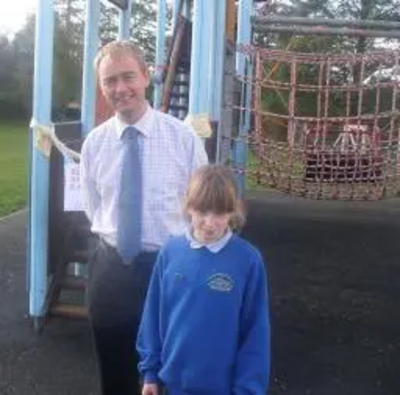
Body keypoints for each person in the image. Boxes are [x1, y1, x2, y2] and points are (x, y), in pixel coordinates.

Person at [79, 40, 208, 395]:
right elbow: (95, 207)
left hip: (169, 270)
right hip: (110, 270)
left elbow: (202, 207)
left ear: (146, 76)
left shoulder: (182, 139)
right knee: (115, 373)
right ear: (102, 87)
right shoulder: (94, 144)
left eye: (128, 77)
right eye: (110, 81)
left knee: (171, 372)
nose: (120, 89)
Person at [137, 164, 270, 395]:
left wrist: (248, 388)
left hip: (224, 388)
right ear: (189, 207)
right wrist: (150, 372)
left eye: (219, 213)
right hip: (173, 384)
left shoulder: (248, 260)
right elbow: (153, 315)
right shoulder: (170, 251)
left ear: (233, 210)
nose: (210, 222)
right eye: (202, 211)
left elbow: (256, 331)